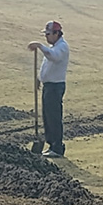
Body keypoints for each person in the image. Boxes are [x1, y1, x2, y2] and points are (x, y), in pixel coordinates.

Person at [28, 20, 70, 158]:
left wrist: (40, 46)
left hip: (55, 86)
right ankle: (51, 145)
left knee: (53, 117)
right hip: (49, 86)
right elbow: (47, 65)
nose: (46, 37)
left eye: (48, 34)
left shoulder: (62, 47)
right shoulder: (52, 48)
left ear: (57, 33)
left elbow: (54, 58)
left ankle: (57, 147)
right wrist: (39, 78)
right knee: (47, 116)